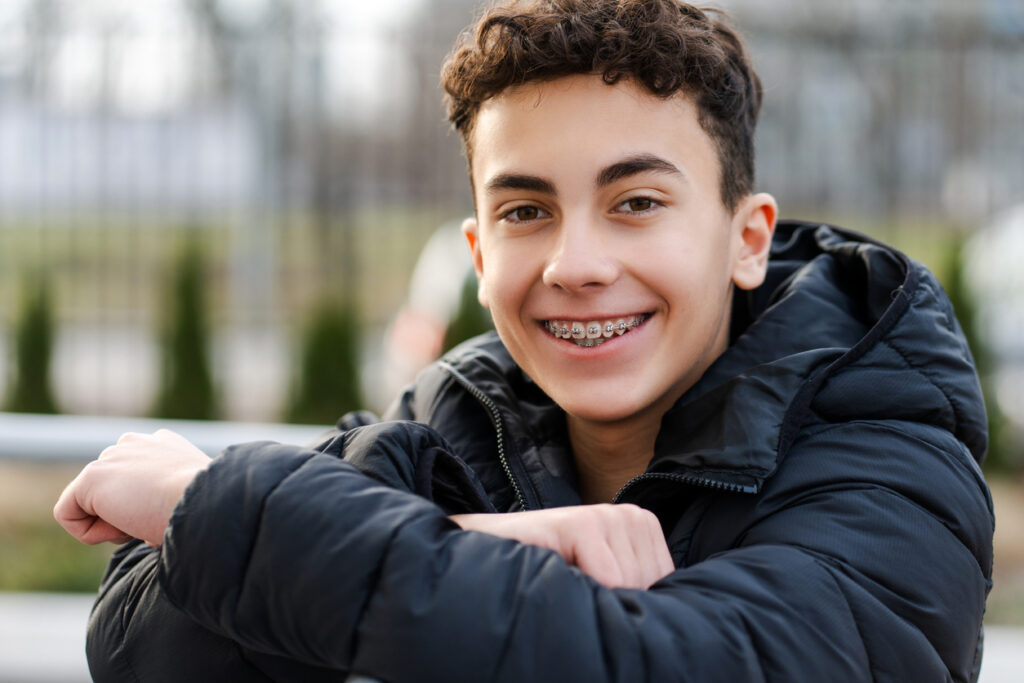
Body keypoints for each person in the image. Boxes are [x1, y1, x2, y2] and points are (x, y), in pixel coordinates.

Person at [55, 1, 994, 681]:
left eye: (636, 202)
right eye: (525, 209)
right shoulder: (451, 418)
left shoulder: (890, 457)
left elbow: (685, 661)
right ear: (476, 249)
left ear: (746, 239)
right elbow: (147, 655)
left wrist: (210, 505)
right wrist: (495, 537)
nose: (575, 262)